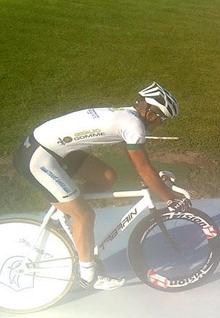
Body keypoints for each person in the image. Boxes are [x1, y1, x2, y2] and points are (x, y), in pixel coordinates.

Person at [13, 81, 191, 290]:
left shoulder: (128, 115)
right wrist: (169, 198)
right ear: (153, 114)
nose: (161, 123)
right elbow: (144, 168)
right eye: (163, 119)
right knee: (85, 215)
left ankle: (69, 207)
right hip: (39, 159)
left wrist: (151, 179)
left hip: (48, 148)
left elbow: (134, 155)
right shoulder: (133, 126)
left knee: (106, 177)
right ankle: (90, 276)